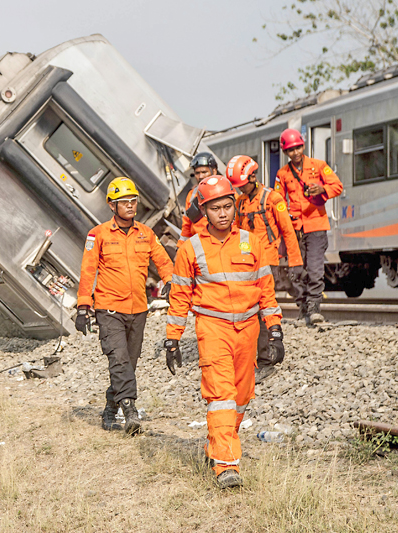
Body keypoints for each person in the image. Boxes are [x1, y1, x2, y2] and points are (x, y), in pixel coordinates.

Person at [164, 175, 284, 488]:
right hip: (212, 329)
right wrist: (172, 339)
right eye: (215, 208)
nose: (222, 213)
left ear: (235, 206)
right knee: (221, 397)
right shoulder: (190, 248)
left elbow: (266, 291)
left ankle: (216, 444)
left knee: (242, 397)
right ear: (203, 211)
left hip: (247, 331)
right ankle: (227, 465)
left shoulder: (251, 241)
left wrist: (275, 330)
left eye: (227, 206)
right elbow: (178, 298)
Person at [76, 177, 174, 435]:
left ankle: (110, 408)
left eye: (133, 201)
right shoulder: (97, 235)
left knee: (127, 365)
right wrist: (83, 306)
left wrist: (171, 281)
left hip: (138, 309)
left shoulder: (146, 233)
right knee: (118, 360)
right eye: (124, 202)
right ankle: (130, 412)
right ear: (112, 205)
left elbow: (163, 260)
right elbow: (88, 271)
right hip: (109, 309)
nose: (130, 206)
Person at [226, 155, 303, 383]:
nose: (239, 188)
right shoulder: (240, 203)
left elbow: (288, 232)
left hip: (268, 263)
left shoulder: (273, 199)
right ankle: (251, 358)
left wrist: (295, 263)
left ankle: (266, 359)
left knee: (261, 311)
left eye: (241, 184)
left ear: (252, 176)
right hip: (245, 264)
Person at [274, 129, 343, 324]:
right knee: (296, 271)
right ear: (285, 152)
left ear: (303, 146)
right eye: (290, 150)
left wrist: (322, 189)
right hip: (294, 229)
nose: (295, 152)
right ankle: (302, 307)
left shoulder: (319, 166)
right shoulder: (283, 174)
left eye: (298, 148)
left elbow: (337, 186)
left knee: (314, 269)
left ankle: (314, 308)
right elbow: (277, 199)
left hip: (316, 225)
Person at [180, 152, 219, 241]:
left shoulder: (226, 191)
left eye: (204, 172)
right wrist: (180, 247)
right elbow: (186, 225)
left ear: (214, 171)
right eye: (197, 173)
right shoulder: (191, 195)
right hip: (199, 245)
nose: (201, 176)